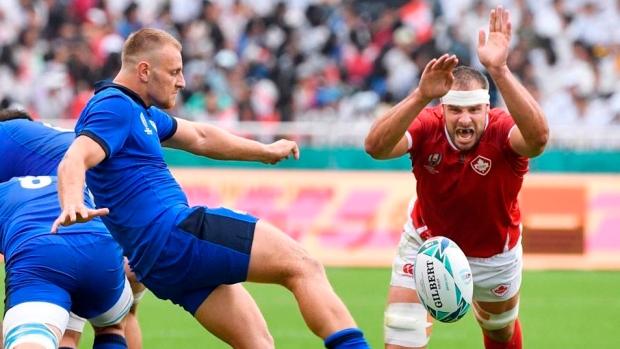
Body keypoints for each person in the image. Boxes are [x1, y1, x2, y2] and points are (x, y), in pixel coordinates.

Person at [52, 28, 370, 349]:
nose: (182, 82)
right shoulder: (114, 106)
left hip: (159, 264)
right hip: (176, 235)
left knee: (258, 343)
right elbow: (74, 158)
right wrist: (71, 202)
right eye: (174, 71)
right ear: (144, 71)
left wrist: (264, 151)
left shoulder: (139, 111)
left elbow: (201, 137)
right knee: (303, 266)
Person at [364, 7, 549, 349]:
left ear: (487, 109)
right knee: (402, 333)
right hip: (426, 243)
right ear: (442, 109)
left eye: (474, 110)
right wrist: (420, 95)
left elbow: (537, 140)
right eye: (455, 109)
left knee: (500, 333)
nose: (465, 119)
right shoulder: (427, 123)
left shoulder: (502, 129)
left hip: (493, 254)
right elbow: (375, 147)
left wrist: (500, 69)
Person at [0, 109, 145, 349]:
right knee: (117, 320)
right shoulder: (53, 142)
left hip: (63, 233)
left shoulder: (8, 146)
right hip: (120, 224)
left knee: (50, 328)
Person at [0, 175, 133, 349]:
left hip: (40, 256)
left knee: (33, 337)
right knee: (111, 327)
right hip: (100, 251)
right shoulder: (71, 183)